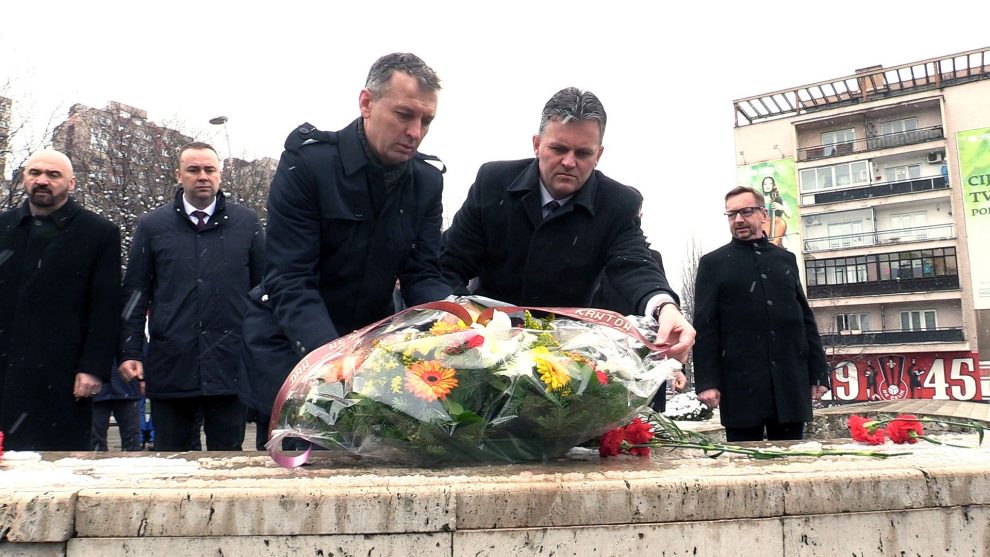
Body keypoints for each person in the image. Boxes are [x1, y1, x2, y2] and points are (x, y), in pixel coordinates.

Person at [239, 53, 452, 429]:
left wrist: (457, 324)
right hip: (292, 345)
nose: (415, 132)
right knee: (294, 458)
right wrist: (335, 360)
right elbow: (290, 278)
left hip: (366, 349)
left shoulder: (427, 181)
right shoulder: (307, 165)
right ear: (366, 103)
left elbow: (422, 273)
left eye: (426, 121)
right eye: (404, 115)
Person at [442, 87, 694, 362]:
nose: (569, 162)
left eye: (583, 153)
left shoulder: (617, 204)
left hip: (564, 358)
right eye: (558, 149)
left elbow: (634, 264)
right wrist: (460, 317)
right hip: (483, 344)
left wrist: (664, 307)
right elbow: (450, 262)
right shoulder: (493, 183)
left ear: (598, 155)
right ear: (537, 144)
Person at [118, 142, 264, 451]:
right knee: (172, 459)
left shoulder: (246, 223)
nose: (202, 176)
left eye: (210, 169)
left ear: (219, 174)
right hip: (172, 364)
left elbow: (263, 291)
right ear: (179, 175)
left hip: (230, 365)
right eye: (193, 170)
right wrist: (130, 351)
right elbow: (135, 294)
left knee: (228, 461)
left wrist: (263, 349)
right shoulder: (152, 226)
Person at [0, 149, 121, 451]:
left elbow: (105, 307)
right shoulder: (3, 226)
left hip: (63, 374)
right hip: (5, 367)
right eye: (35, 173)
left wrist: (92, 367)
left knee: (59, 462)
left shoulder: (99, 233)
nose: (42, 180)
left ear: (71, 183)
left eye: (53, 175)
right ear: (24, 178)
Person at [693, 186, 829, 442]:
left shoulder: (786, 259)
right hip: (741, 384)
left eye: (746, 212)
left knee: (793, 458)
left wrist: (819, 372)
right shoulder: (713, 263)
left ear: (763, 214)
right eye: (731, 214)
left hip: (789, 381)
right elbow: (705, 326)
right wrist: (707, 381)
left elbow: (804, 320)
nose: (738, 220)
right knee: (744, 461)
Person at [91, 362, 143, 451]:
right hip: (96, 385)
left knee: (131, 440)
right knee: (94, 440)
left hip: (128, 386)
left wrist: (143, 378)